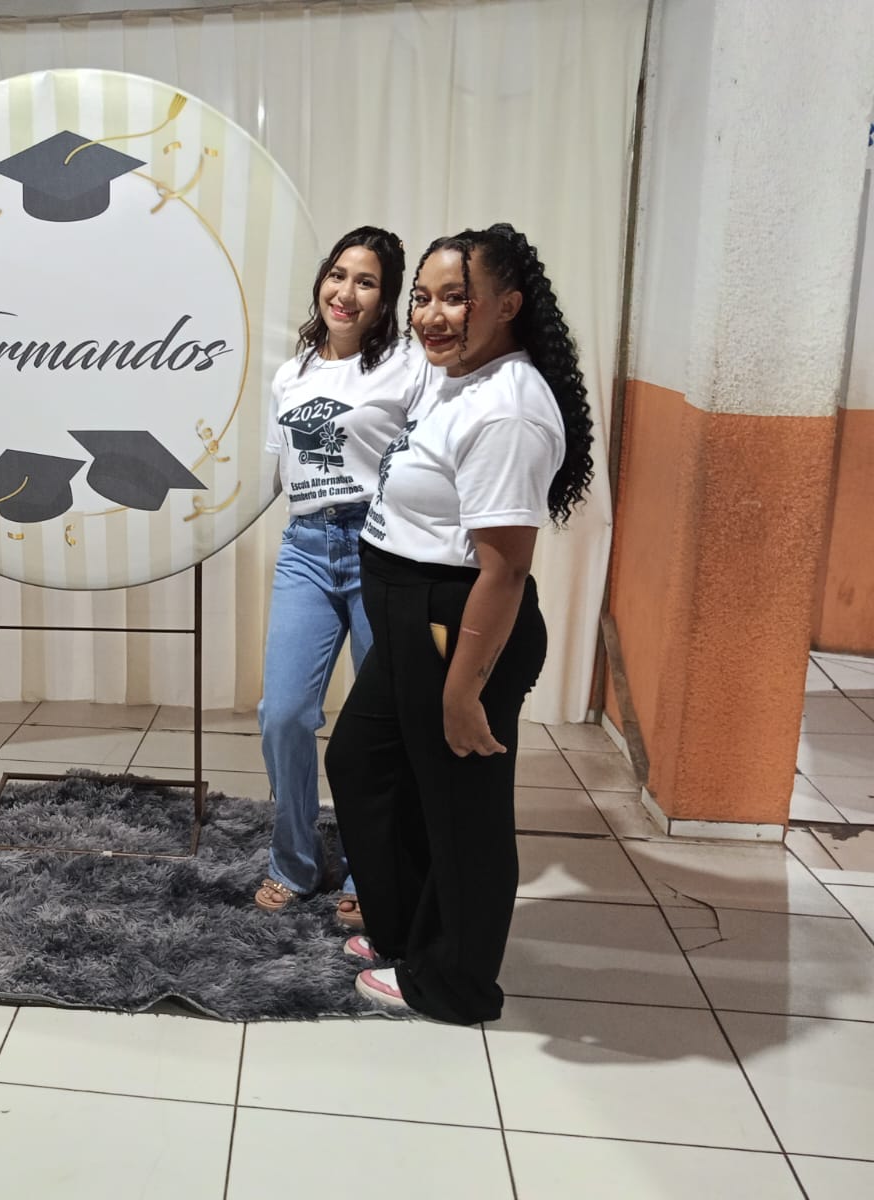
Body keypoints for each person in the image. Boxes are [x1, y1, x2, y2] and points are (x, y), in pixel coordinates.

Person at [326, 222, 594, 1023]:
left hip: (459, 623)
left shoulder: (508, 410)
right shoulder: (456, 375)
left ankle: (454, 982)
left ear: (508, 305)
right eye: (423, 297)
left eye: (455, 298)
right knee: (364, 765)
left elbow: (504, 569)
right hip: (415, 615)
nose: (431, 315)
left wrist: (464, 689)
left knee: (460, 810)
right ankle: (409, 932)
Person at [254, 227, 427, 924]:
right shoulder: (291, 372)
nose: (346, 292)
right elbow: (275, 471)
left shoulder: (408, 367)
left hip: (379, 544)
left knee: (380, 723)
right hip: (305, 545)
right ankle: (294, 860)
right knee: (283, 714)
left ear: (385, 299)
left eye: (366, 281)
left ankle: (370, 869)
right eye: (338, 274)